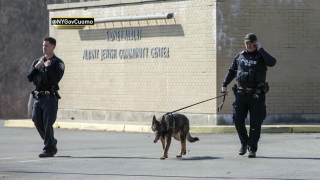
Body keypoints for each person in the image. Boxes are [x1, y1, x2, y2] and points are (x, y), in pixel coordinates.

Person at [221, 33, 276, 158]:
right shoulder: (240, 56)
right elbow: (231, 71)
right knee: (237, 119)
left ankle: (252, 148)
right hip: (241, 94)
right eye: (247, 43)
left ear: (255, 43)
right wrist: (224, 84)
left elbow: (272, 62)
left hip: (256, 95)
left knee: (255, 123)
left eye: (251, 43)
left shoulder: (261, 56)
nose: (249, 46)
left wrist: (261, 49)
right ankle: (244, 142)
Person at [27, 37, 65, 157]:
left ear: (53, 47)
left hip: (49, 98)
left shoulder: (58, 63)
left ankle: (48, 149)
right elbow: (29, 77)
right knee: (36, 120)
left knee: (47, 122)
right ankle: (51, 142)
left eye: (47, 46)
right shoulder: (38, 61)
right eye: (43, 45)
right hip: (38, 97)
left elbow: (56, 79)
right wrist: (36, 67)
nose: (44, 47)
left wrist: (48, 67)